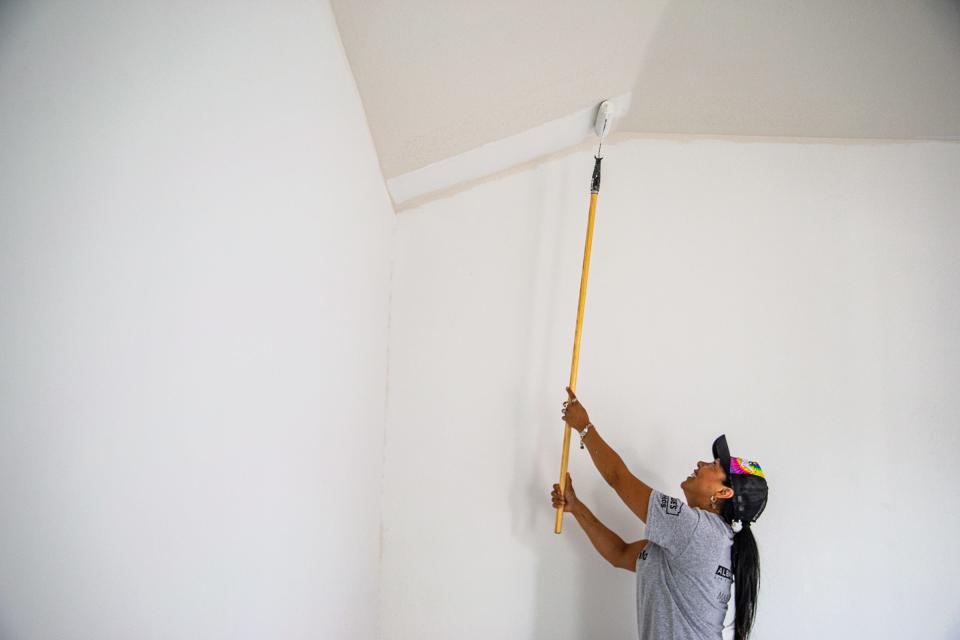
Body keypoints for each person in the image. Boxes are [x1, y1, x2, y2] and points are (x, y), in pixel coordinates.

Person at [550, 387, 768, 640]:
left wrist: (585, 427)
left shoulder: (697, 530)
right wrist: (577, 508)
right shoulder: (694, 539)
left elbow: (618, 478)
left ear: (723, 493)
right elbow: (619, 554)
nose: (700, 463)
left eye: (713, 466)